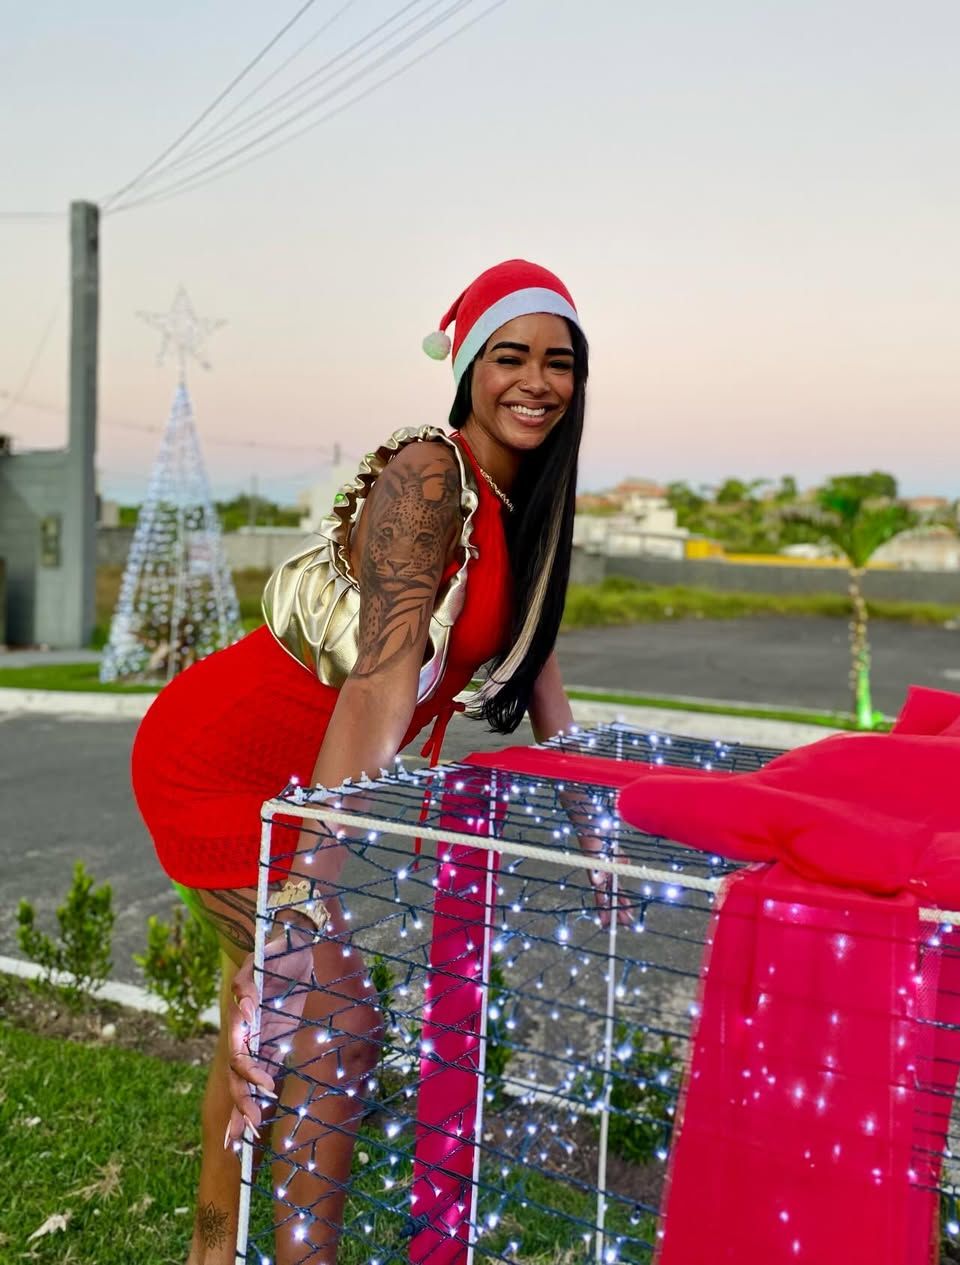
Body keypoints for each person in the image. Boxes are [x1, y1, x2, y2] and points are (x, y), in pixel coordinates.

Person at [131, 259, 616, 1265]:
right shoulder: (431, 473)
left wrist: (589, 820)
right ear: (469, 364)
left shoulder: (526, 505)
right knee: (335, 1021)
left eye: (558, 361)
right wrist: (310, 890)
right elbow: (379, 682)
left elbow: (539, 652)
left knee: (265, 1014)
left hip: (309, 778)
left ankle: (210, 1254)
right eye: (509, 355)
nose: (536, 380)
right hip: (224, 763)